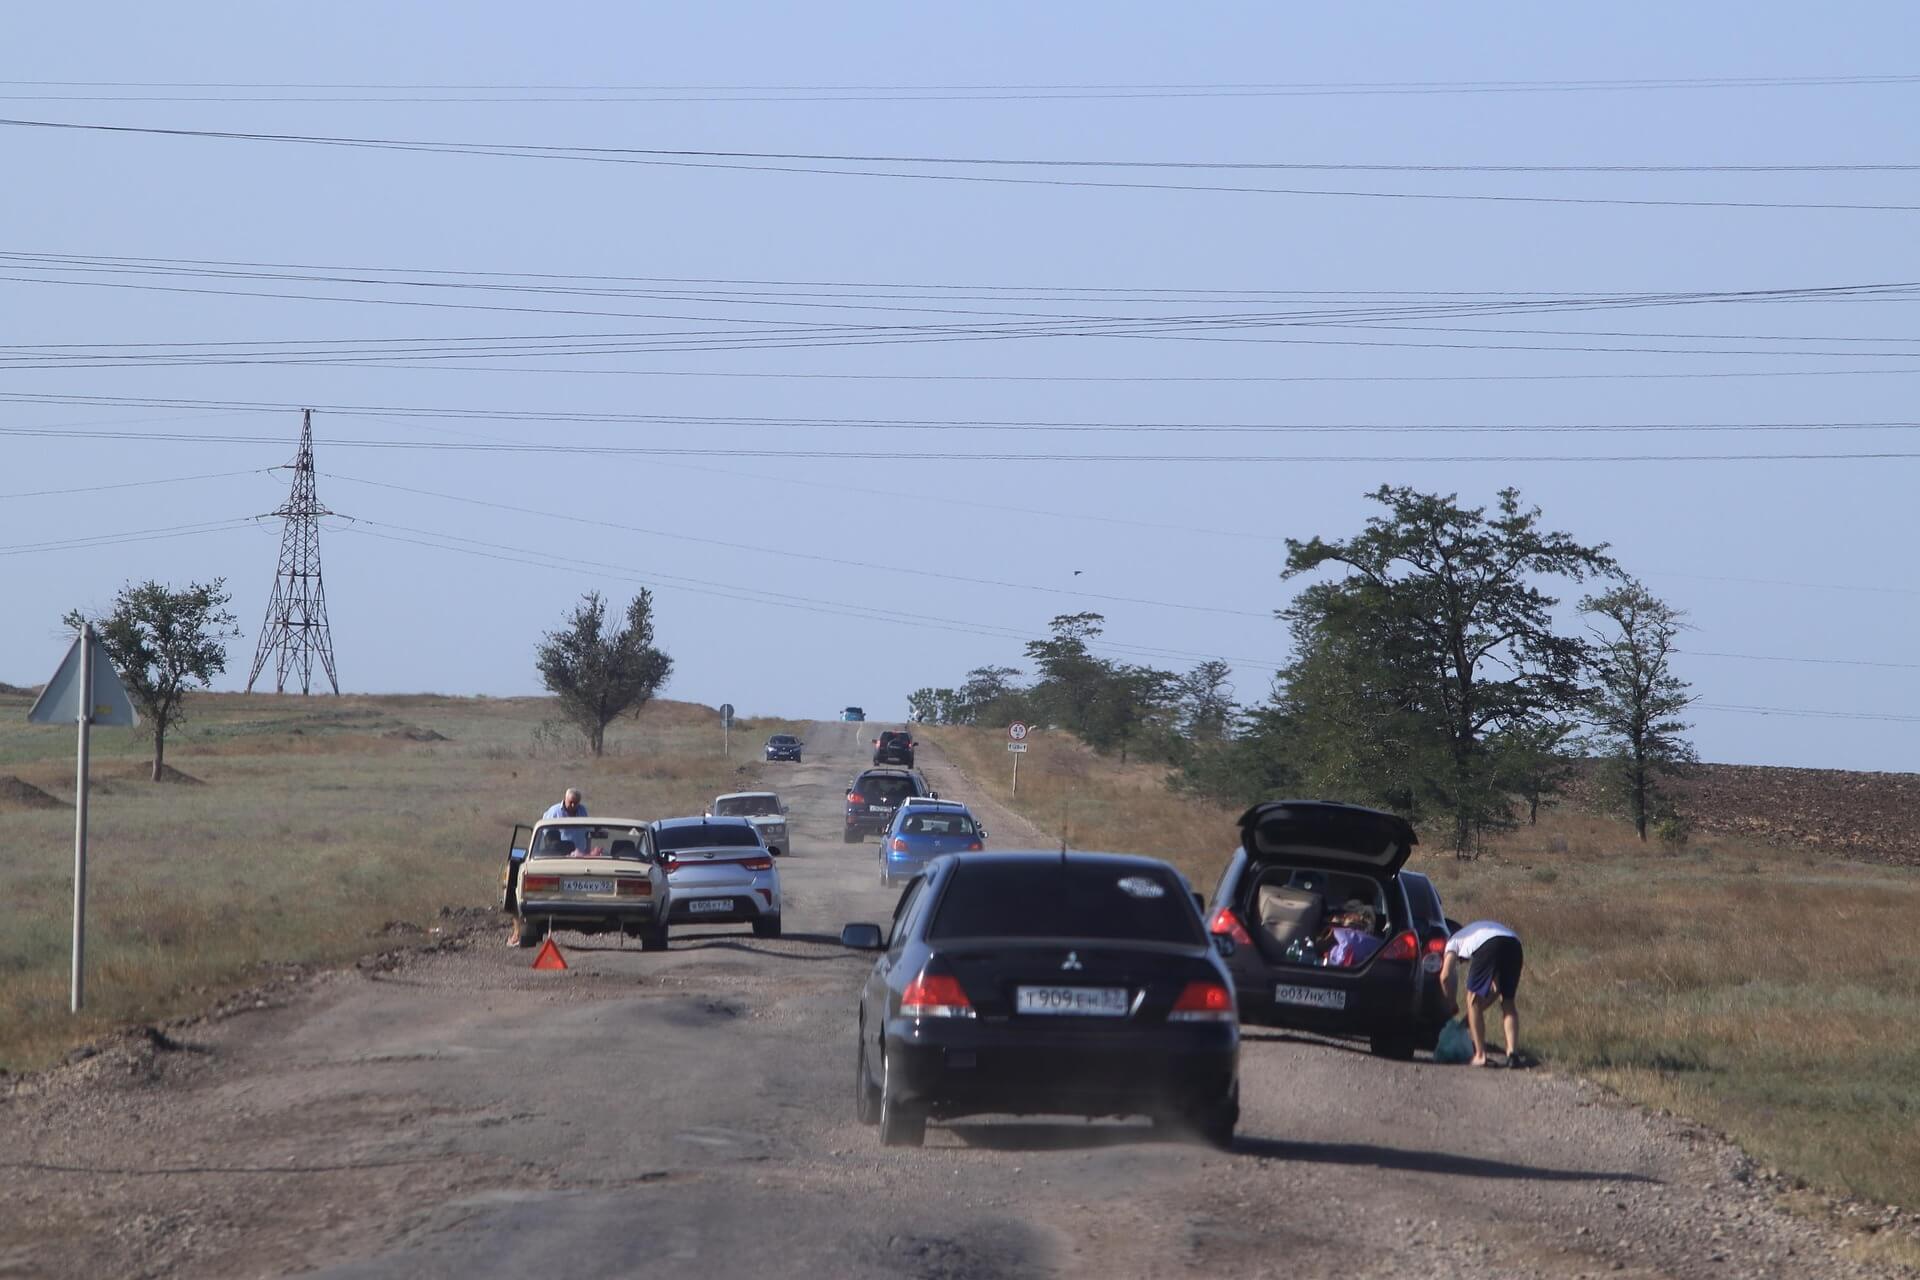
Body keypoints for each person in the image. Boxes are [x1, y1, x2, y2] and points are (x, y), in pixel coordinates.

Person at [507, 789, 588, 946]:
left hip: (580, 856)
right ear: (564, 799)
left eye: (576, 803)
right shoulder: (554, 813)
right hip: (556, 856)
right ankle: (519, 934)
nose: (573, 806)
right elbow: (547, 837)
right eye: (571, 802)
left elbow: (586, 832)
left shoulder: (582, 811)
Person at [1439, 920, 1524, 1067]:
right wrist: (1470, 1017)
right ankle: (1512, 1054)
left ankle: (1480, 1055)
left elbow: (1445, 976)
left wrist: (1451, 1003)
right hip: (1514, 943)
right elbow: (1495, 990)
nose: (1462, 962)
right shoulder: (1473, 931)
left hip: (1489, 945)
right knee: (1508, 1001)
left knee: (1472, 999)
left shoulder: (1453, 941)